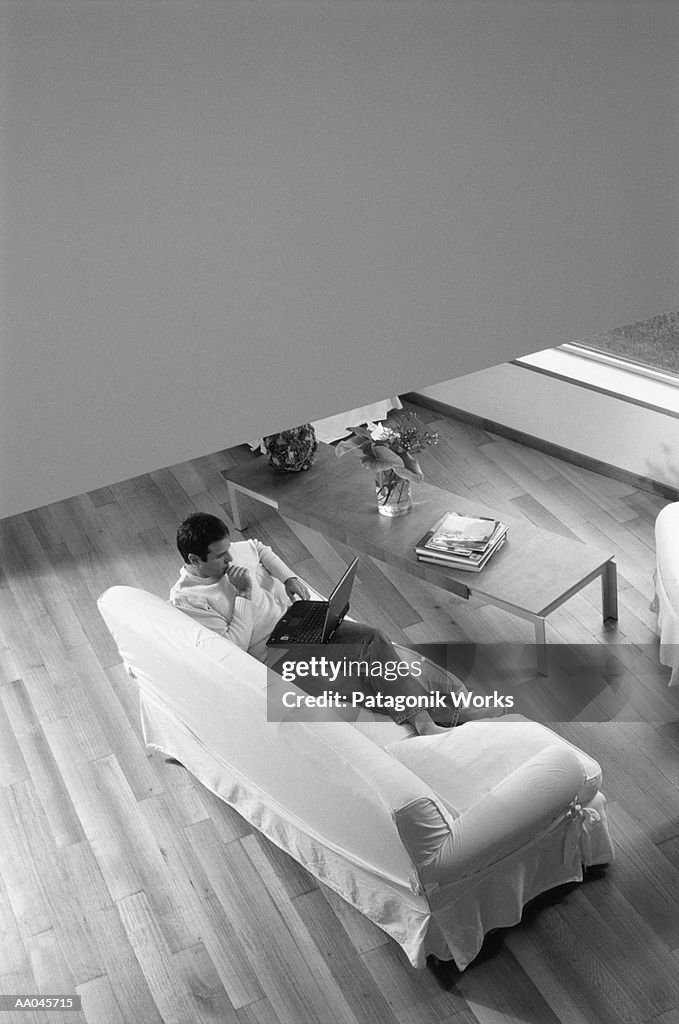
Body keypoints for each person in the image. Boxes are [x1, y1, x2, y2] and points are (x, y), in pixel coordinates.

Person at [170, 512, 452, 734]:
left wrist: (289, 577)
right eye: (221, 556)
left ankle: (426, 723)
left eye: (228, 549)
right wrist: (244, 594)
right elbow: (232, 649)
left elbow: (258, 547)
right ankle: (442, 715)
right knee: (353, 676)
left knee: (372, 636)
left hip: (298, 625)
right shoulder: (189, 600)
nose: (231, 557)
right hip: (273, 659)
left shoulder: (234, 554)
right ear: (195, 559)